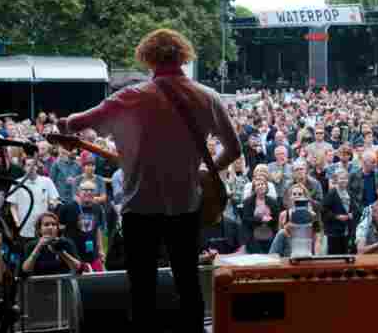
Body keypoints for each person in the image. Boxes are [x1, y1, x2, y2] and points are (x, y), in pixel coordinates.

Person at [57, 29, 241, 332]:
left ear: (147, 58)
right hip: (185, 207)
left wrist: (65, 126)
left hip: (139, 209)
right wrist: (207, 171)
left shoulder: (130, 97)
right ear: (183, 55)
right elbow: (233, 148)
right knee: (188, 283)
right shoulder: (207, 97)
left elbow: (74, 123)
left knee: (142, 290)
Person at [7, 156, 61, 241]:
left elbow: (55, 199)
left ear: (37, 166)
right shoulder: (17, 183)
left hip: (44, 228)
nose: (31, 167)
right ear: (24, 167)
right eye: (28, 165)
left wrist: (52, 203)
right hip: (25, 228)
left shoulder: (47, 181)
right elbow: (13, 206)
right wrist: (17, 222)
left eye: (33, 165)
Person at [57, 180, 106, 271]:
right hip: (74, 255)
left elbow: (98, 229)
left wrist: (101, 249)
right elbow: (59, 229)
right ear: (78, 191)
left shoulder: (97, 208)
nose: (88, 192)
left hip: (93, 255)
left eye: (91, 190)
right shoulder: (67, 207)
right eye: (85, 190)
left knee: (97, 280)